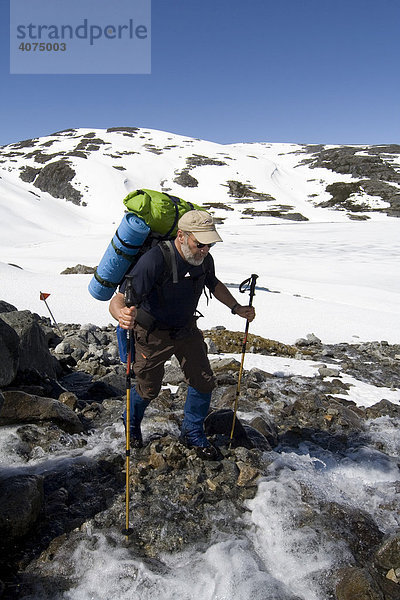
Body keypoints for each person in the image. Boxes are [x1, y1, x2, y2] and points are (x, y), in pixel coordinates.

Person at [109, 209, 255, 459]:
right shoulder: (155, 260)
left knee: (203, 380)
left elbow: (214, 283)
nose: (205, 249)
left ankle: (192, 432)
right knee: (148, 389)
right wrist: (121, 314)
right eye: (200, 244)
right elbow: (118, 299)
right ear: (181, 236)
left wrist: (236, 308)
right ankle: (130, 421)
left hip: (186, 329)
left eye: (209, 244)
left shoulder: (203, 259)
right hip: (151, 332)